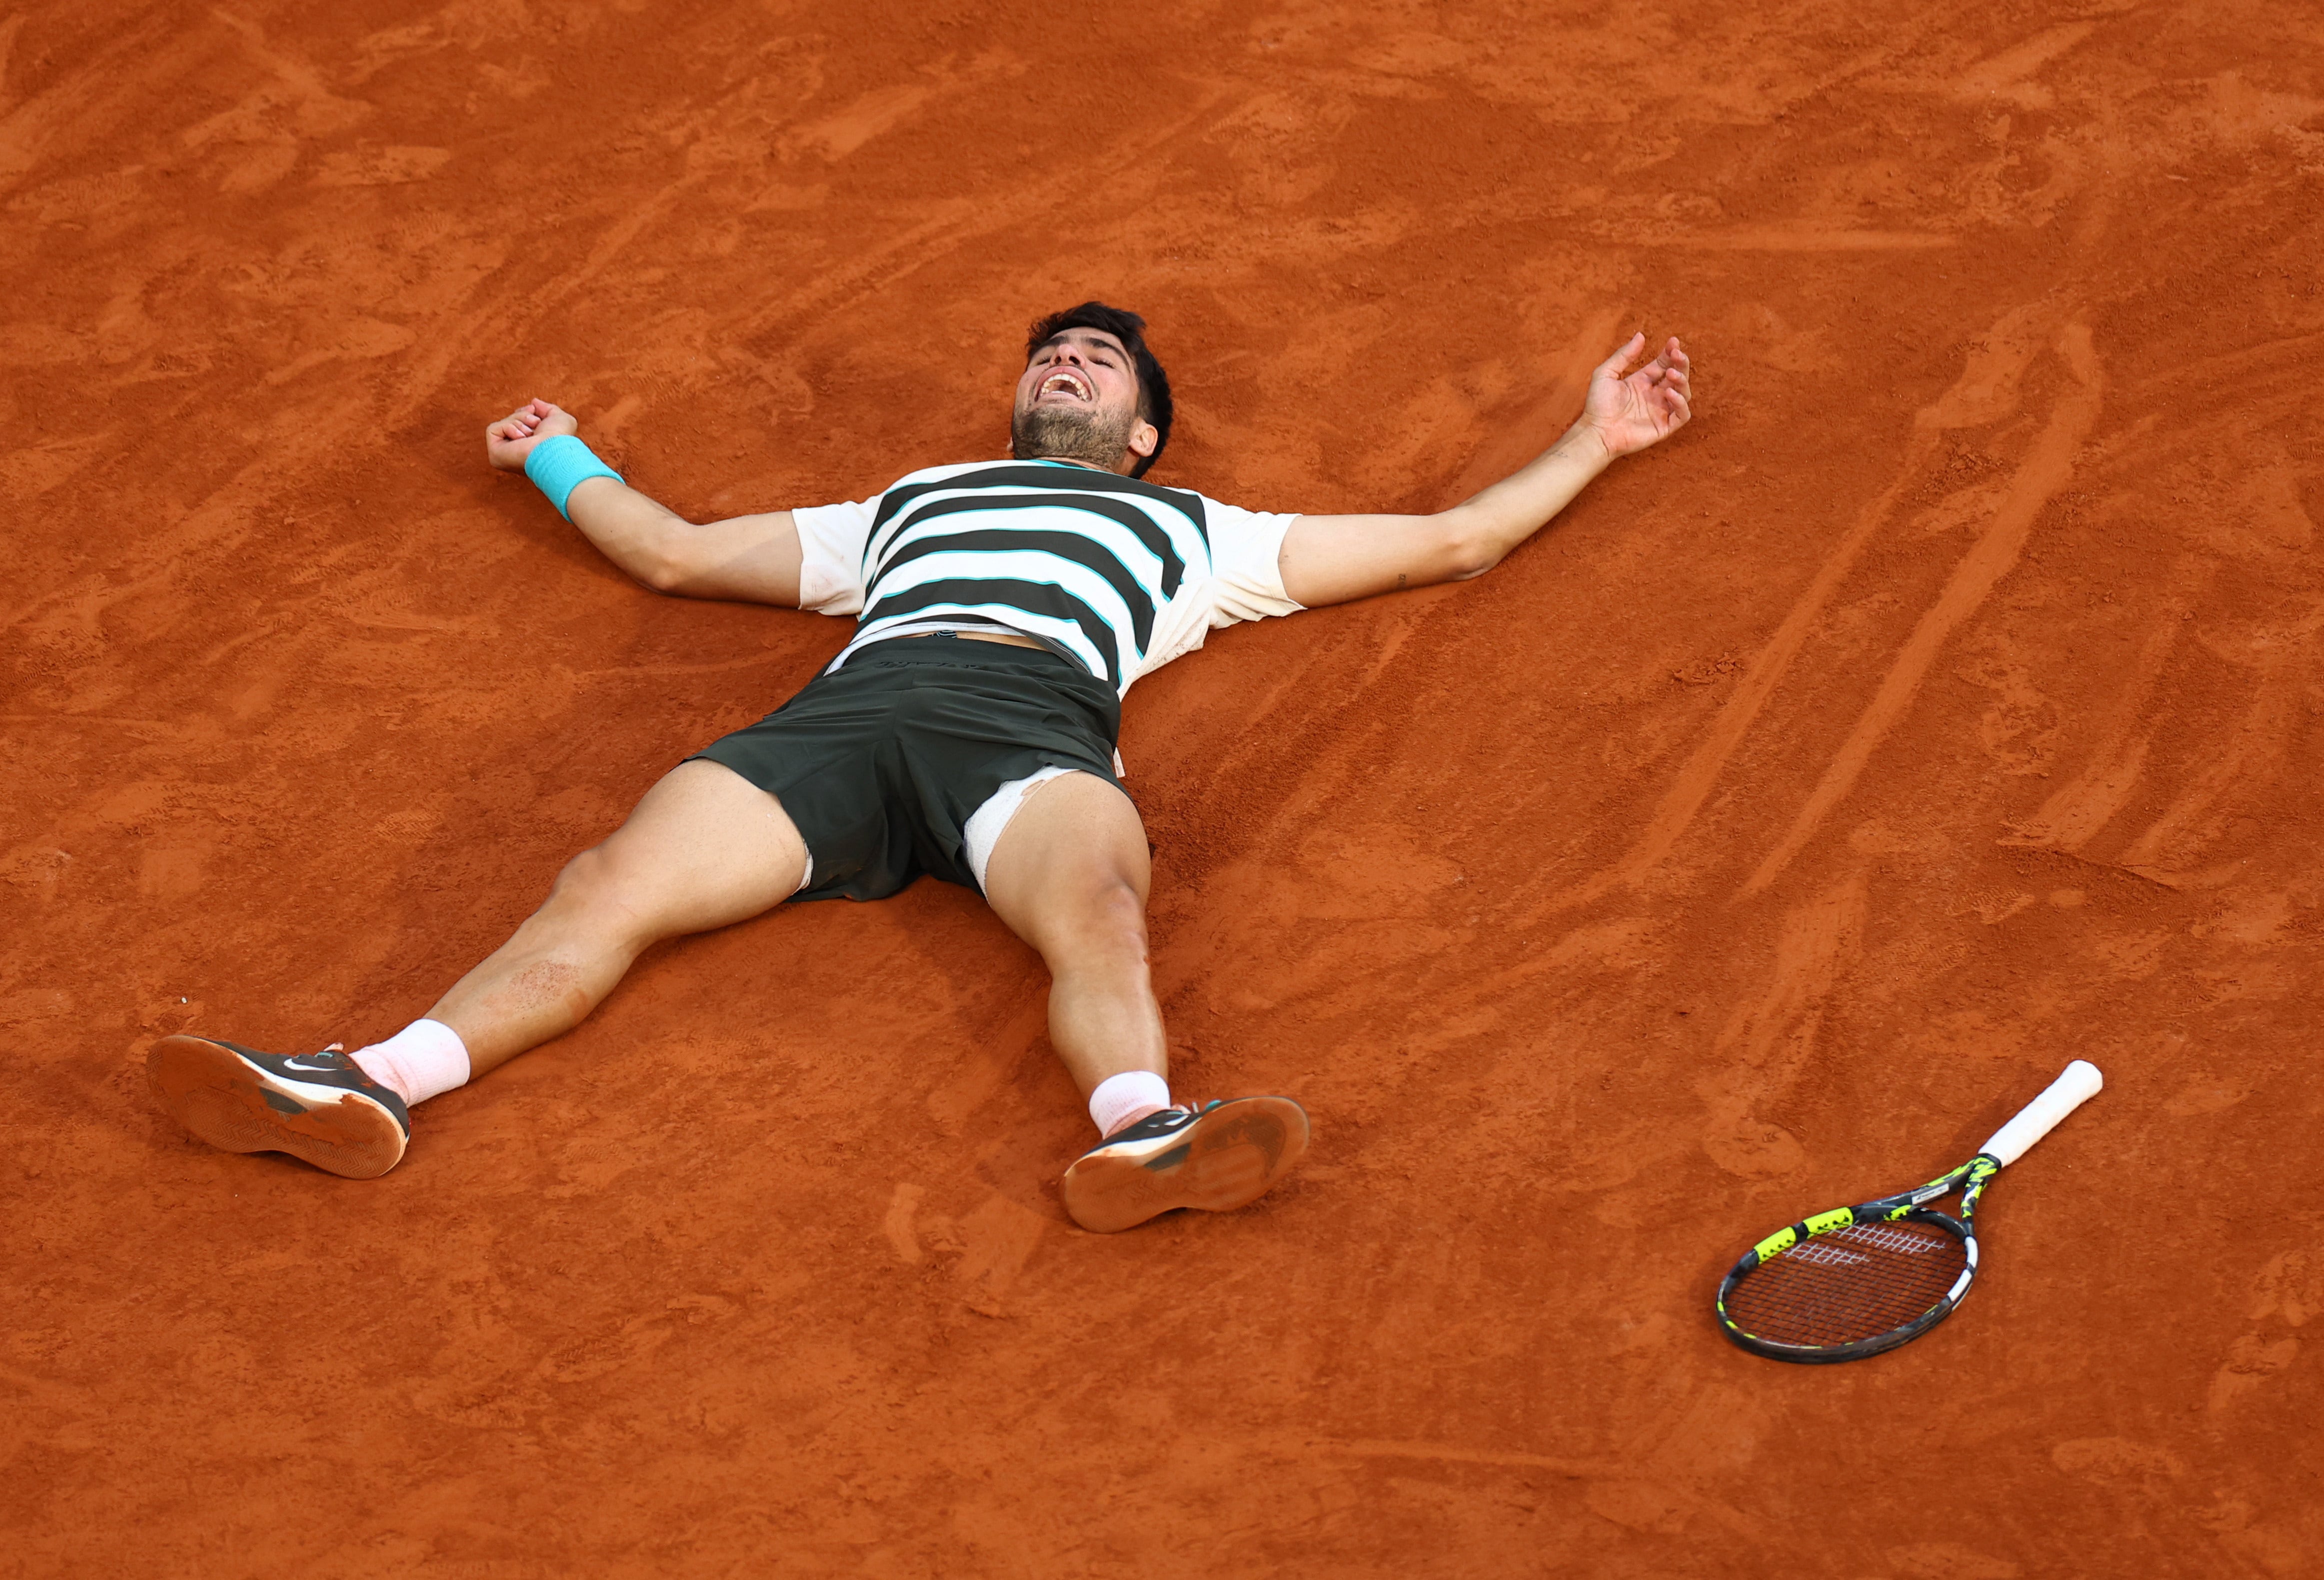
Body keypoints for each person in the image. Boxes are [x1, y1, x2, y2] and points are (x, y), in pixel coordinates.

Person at [145, 302, 1692, 1232]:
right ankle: (372, 1083)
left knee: (1093, 896)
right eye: (1054, 358)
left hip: (1029, 730)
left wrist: (1592, 442)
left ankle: (1143, 1131)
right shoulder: (912, 502)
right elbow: (679, 558)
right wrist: (559, 455)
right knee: (608, 880)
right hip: (841, 723)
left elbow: (1449, 543)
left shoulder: (1202, 534)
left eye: (1098, 366)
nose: (1070, 368)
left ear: (1145, 432)